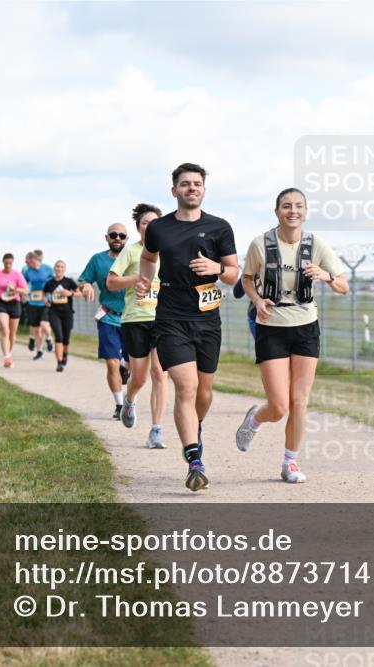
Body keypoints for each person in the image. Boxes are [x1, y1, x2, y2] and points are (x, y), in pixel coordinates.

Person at [137, 163, 239, 492]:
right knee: (187, 387)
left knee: (204, 393)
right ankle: (194, 459)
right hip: (170, 317)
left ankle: (196, 429)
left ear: (203, 190)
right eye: (185, 184)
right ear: (174, 191)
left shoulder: (220, 227)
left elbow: (234, 274)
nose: (191, 188)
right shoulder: (159, 229)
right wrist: (144, 278)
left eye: (197, 183)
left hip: (208, 319)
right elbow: (149, 258)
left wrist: (216, 267)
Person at [235, 188, 349, 483]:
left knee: (300, 401)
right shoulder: (260, 244)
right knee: (279, 406)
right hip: (271, 326)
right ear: (277, 212)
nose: (293, 211)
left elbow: (343, 286)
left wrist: (326, 276)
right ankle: (255, 419)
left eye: (299, 206)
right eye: (286, 206)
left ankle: (290, 463)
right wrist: (257, 300)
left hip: (305, 326)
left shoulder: (317, 245)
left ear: (306, 212)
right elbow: (247, 279)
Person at [108, 203, 168, 449]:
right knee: (140, 377)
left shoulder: (168, 251)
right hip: (135, 319)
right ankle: (130, 399)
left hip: (164, 319)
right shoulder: (131, 252)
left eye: (155, 223)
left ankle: (156, 430)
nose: (150, 227)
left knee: (159, 374)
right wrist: (136, 279)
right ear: (138, 228)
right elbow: (111, 282)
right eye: (145, 223)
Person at [79, 224, 132, 419]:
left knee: (132, 364)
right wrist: (85, 286)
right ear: (107, 237)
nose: (117, 238)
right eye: (113, 235)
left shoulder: (135, 257)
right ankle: (119, 405)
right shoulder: (98, 260)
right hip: (108, 317)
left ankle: (126, 369)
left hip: (132, 318)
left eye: (122, 235)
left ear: (127, 239)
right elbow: (84, 279)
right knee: (111, 363)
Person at [0, 253, 29, 367]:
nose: (8, 265)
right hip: (1, 303)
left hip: (14, 303)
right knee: (5, 330)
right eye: (6, 263)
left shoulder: (17, 275)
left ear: (12, 262)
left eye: (10, 263)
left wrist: (14, 288)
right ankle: (6, 357)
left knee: (12, 333)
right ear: (3, 262)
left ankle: (9, 354)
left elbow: (25, 291)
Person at [43, 260, 80, 372]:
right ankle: (59, 362)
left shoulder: (69, 281)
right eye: (57, 266)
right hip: (54, 312)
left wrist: (70, 293)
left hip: (67, 312)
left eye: (61, 267)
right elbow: (44, 293)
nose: (59, 269)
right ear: (54, 269)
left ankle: (65, 354)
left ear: (64, 269)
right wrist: (46, 301)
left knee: (66, 338)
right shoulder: (49, 283)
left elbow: (79, 293)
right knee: (58, 336)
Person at [23, 251, 55, 359]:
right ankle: (39, 351)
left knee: (44, 324)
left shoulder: (47, 268)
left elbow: (55, 281)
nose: (30, 264)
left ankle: (49, 340)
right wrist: (24, 294)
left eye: (31, 261)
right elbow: (24, 284)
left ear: (36, 260)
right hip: (33, 302)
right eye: (29, 262)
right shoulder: (28, 271)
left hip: (46, 301)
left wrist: (50, 292)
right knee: (36, 329)